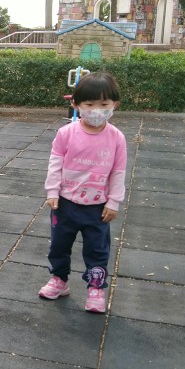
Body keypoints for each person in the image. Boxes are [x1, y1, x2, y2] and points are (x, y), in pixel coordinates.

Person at [39, 72, 127, 315]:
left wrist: (114, 202)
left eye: (104, 104)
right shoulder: (66, 133)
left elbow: (118, 171)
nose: (96, 110)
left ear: (115, 105)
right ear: (76, 105)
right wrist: (52, 191)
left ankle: (96, 288)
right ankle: (59, 279)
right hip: (65, 204)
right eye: (89, 104)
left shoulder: (116, 138)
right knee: (59, 245)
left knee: (97, 249)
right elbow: (55, 163)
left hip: (98, 208)